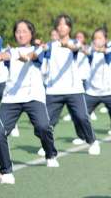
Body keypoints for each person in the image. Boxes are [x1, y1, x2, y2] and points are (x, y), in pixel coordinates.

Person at [0, 20, 59, 184]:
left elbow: (33, 56)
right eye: (18, 32)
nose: (21, 34)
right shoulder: (11, 51)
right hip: (11, 98)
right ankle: (5, 168)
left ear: (32, 34)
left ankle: (50, 154)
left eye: (24, 31)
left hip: (33, 97)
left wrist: (26, 58)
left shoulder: (37, 49)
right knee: (0, 131)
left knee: (43, 126)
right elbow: (4, 56)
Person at [40, 15, 100, 155]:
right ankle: (47, 147)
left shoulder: (75, 43)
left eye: (65, 24)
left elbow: (75, 48)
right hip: (54, 90)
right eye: (59, 24)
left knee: (82, 117)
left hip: (74, 89)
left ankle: (92, 142)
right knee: (48, 122)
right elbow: (44, 48)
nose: (62, 27)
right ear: (56, 27)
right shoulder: (51, 45)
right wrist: (40, 46)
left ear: (70, 28)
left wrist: (66, 45)